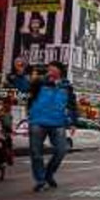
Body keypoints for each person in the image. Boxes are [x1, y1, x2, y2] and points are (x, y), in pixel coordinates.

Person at [27, 61, 78, 192]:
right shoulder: (40, 83)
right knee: (35, 152)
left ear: (59, 71)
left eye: (53, 68)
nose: (50, 70)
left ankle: (48, 174)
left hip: (58, 122)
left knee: (61, 150)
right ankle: (40, 180)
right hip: (38, 121)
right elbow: (29, 93)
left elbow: (72, 105)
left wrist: (72, 122)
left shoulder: (66, 87)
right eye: (48, 68)